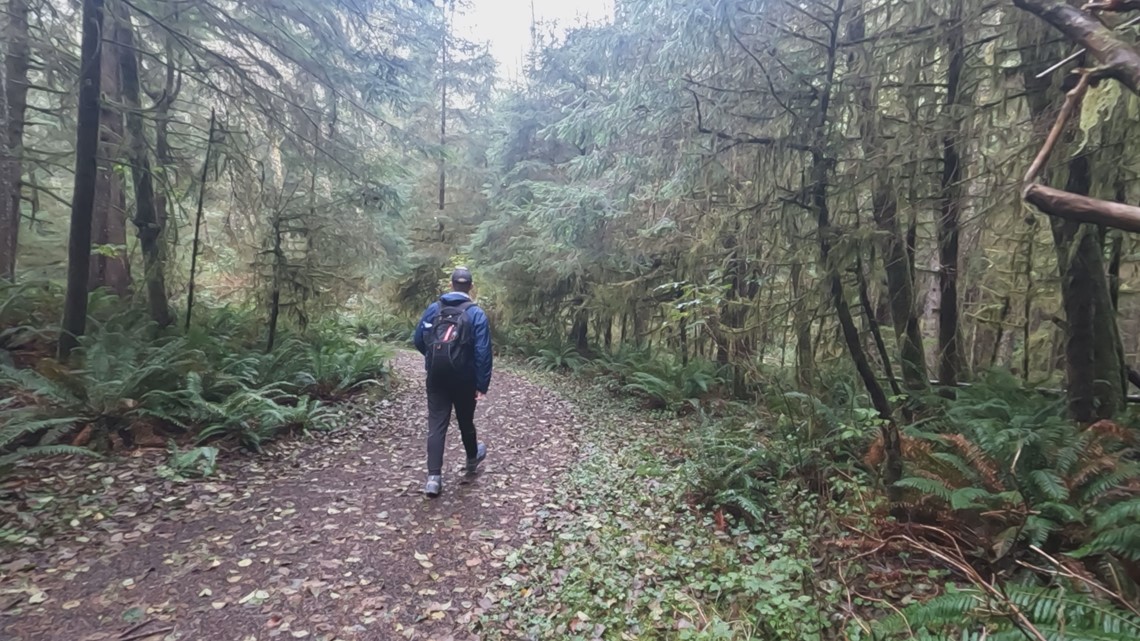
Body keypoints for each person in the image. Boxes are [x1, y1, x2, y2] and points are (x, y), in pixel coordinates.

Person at [413, 267, 493, 497]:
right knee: (466, 420)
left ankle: (433, 479)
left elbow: (419, 339)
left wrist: (434, 359)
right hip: (464, 378)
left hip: (437, 376)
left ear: (451, 285)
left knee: (437, 424)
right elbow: (483, 351)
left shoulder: (434, 308)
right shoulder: (476, 313)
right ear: (470, 286)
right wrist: (481, 383)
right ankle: (471, 459)